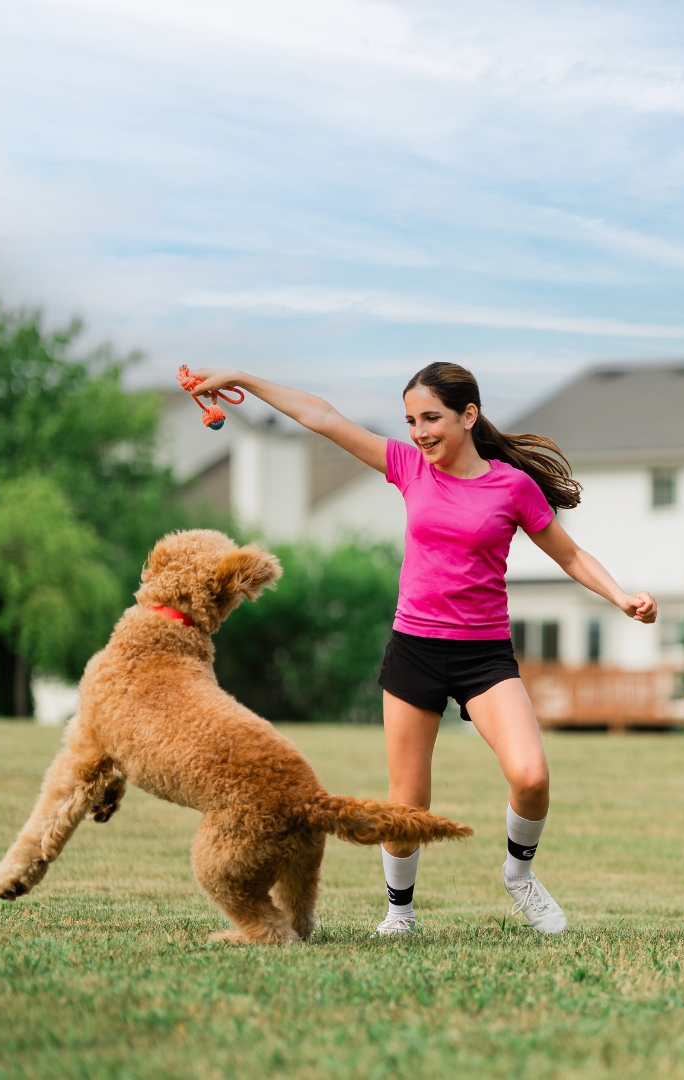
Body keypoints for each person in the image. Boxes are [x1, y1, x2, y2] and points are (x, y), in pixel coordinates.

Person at [190, 362, 657, 935]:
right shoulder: (408, 467)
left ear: (468, 416)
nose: (419, 432)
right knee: (408, 801)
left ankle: (519, 875)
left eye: (431, 418)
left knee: (531, 776)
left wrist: (620, 597)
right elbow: (322, 417)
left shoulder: (511, 487)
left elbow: (570, 556)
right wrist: (244, 379)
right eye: (411, 420)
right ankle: (399, 911)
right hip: (415, 650)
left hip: (484, 655)